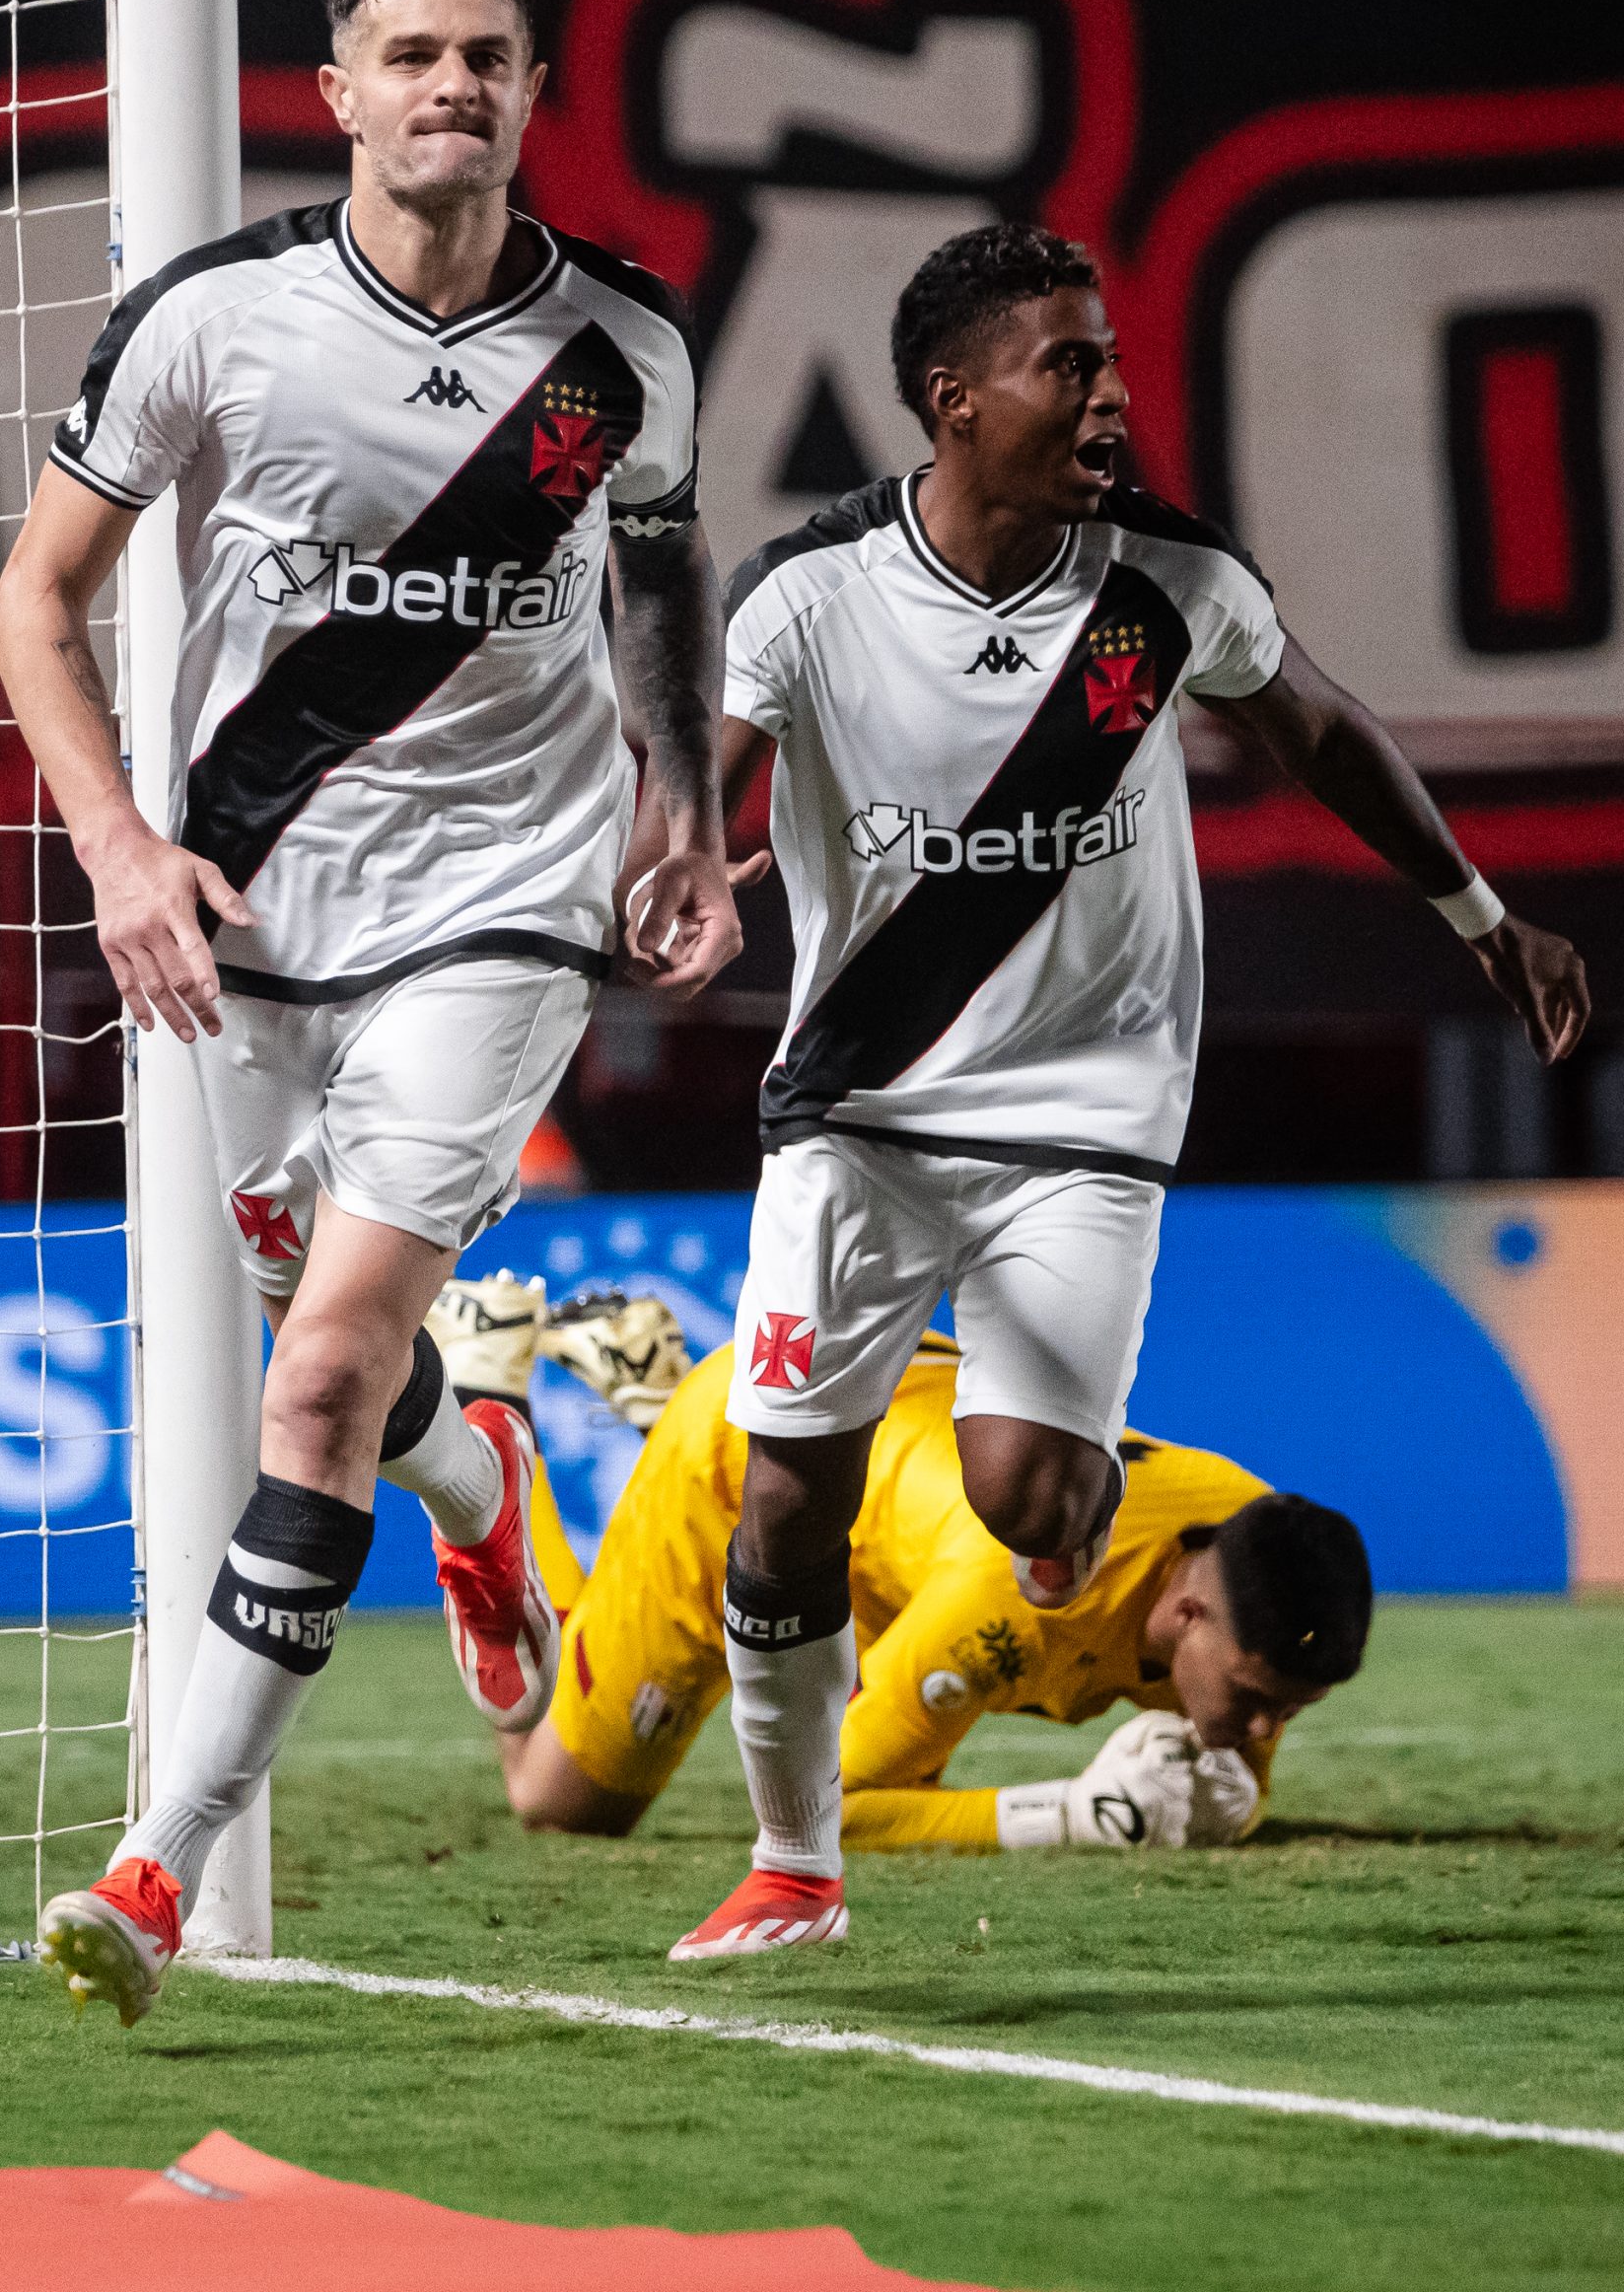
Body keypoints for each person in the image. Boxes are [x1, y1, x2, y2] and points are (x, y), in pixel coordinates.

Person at [623, 220, 1589, 1963]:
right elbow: (706, 772)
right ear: (953, 400)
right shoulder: (813, 593)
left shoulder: (1163, 579)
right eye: (1067, 366)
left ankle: (1037, 1540)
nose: (1108, 397)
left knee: (1032, 1502)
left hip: (1083, 1116)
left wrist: (1476, 914)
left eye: (1109, 362)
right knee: (784, 1497)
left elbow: (1320, 728)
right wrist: (685, 859)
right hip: (856, 1107)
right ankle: (793, 1865)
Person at [0, 0, 745, 2027]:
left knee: (308, 1379)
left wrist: (679, 812)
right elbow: (35, 602)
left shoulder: (626, 348)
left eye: (487, 55)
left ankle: (154, 1870)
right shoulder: (210, 320)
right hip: (231, 911)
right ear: (335, 94)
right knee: (323, 1363)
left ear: (531, 92)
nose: (449, 87)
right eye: (407, 53)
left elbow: (662, 572)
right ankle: (481, 1480)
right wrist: (122, 847)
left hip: (499, 907)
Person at [434, 1280, 1370, 1886]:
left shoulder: (1252, 1552)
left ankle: (650, 1377)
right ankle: (491, 1396)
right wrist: (1064, 1818)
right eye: (1252, 1702)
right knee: (556, 1797)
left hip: (895, 1445)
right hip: (739, 1480)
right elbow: (833, 1803)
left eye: (1290, 1710)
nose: (1261, 1734)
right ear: (1185, 1610)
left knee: (878, 1554)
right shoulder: (1011, 1604)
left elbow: (1235, 1772)